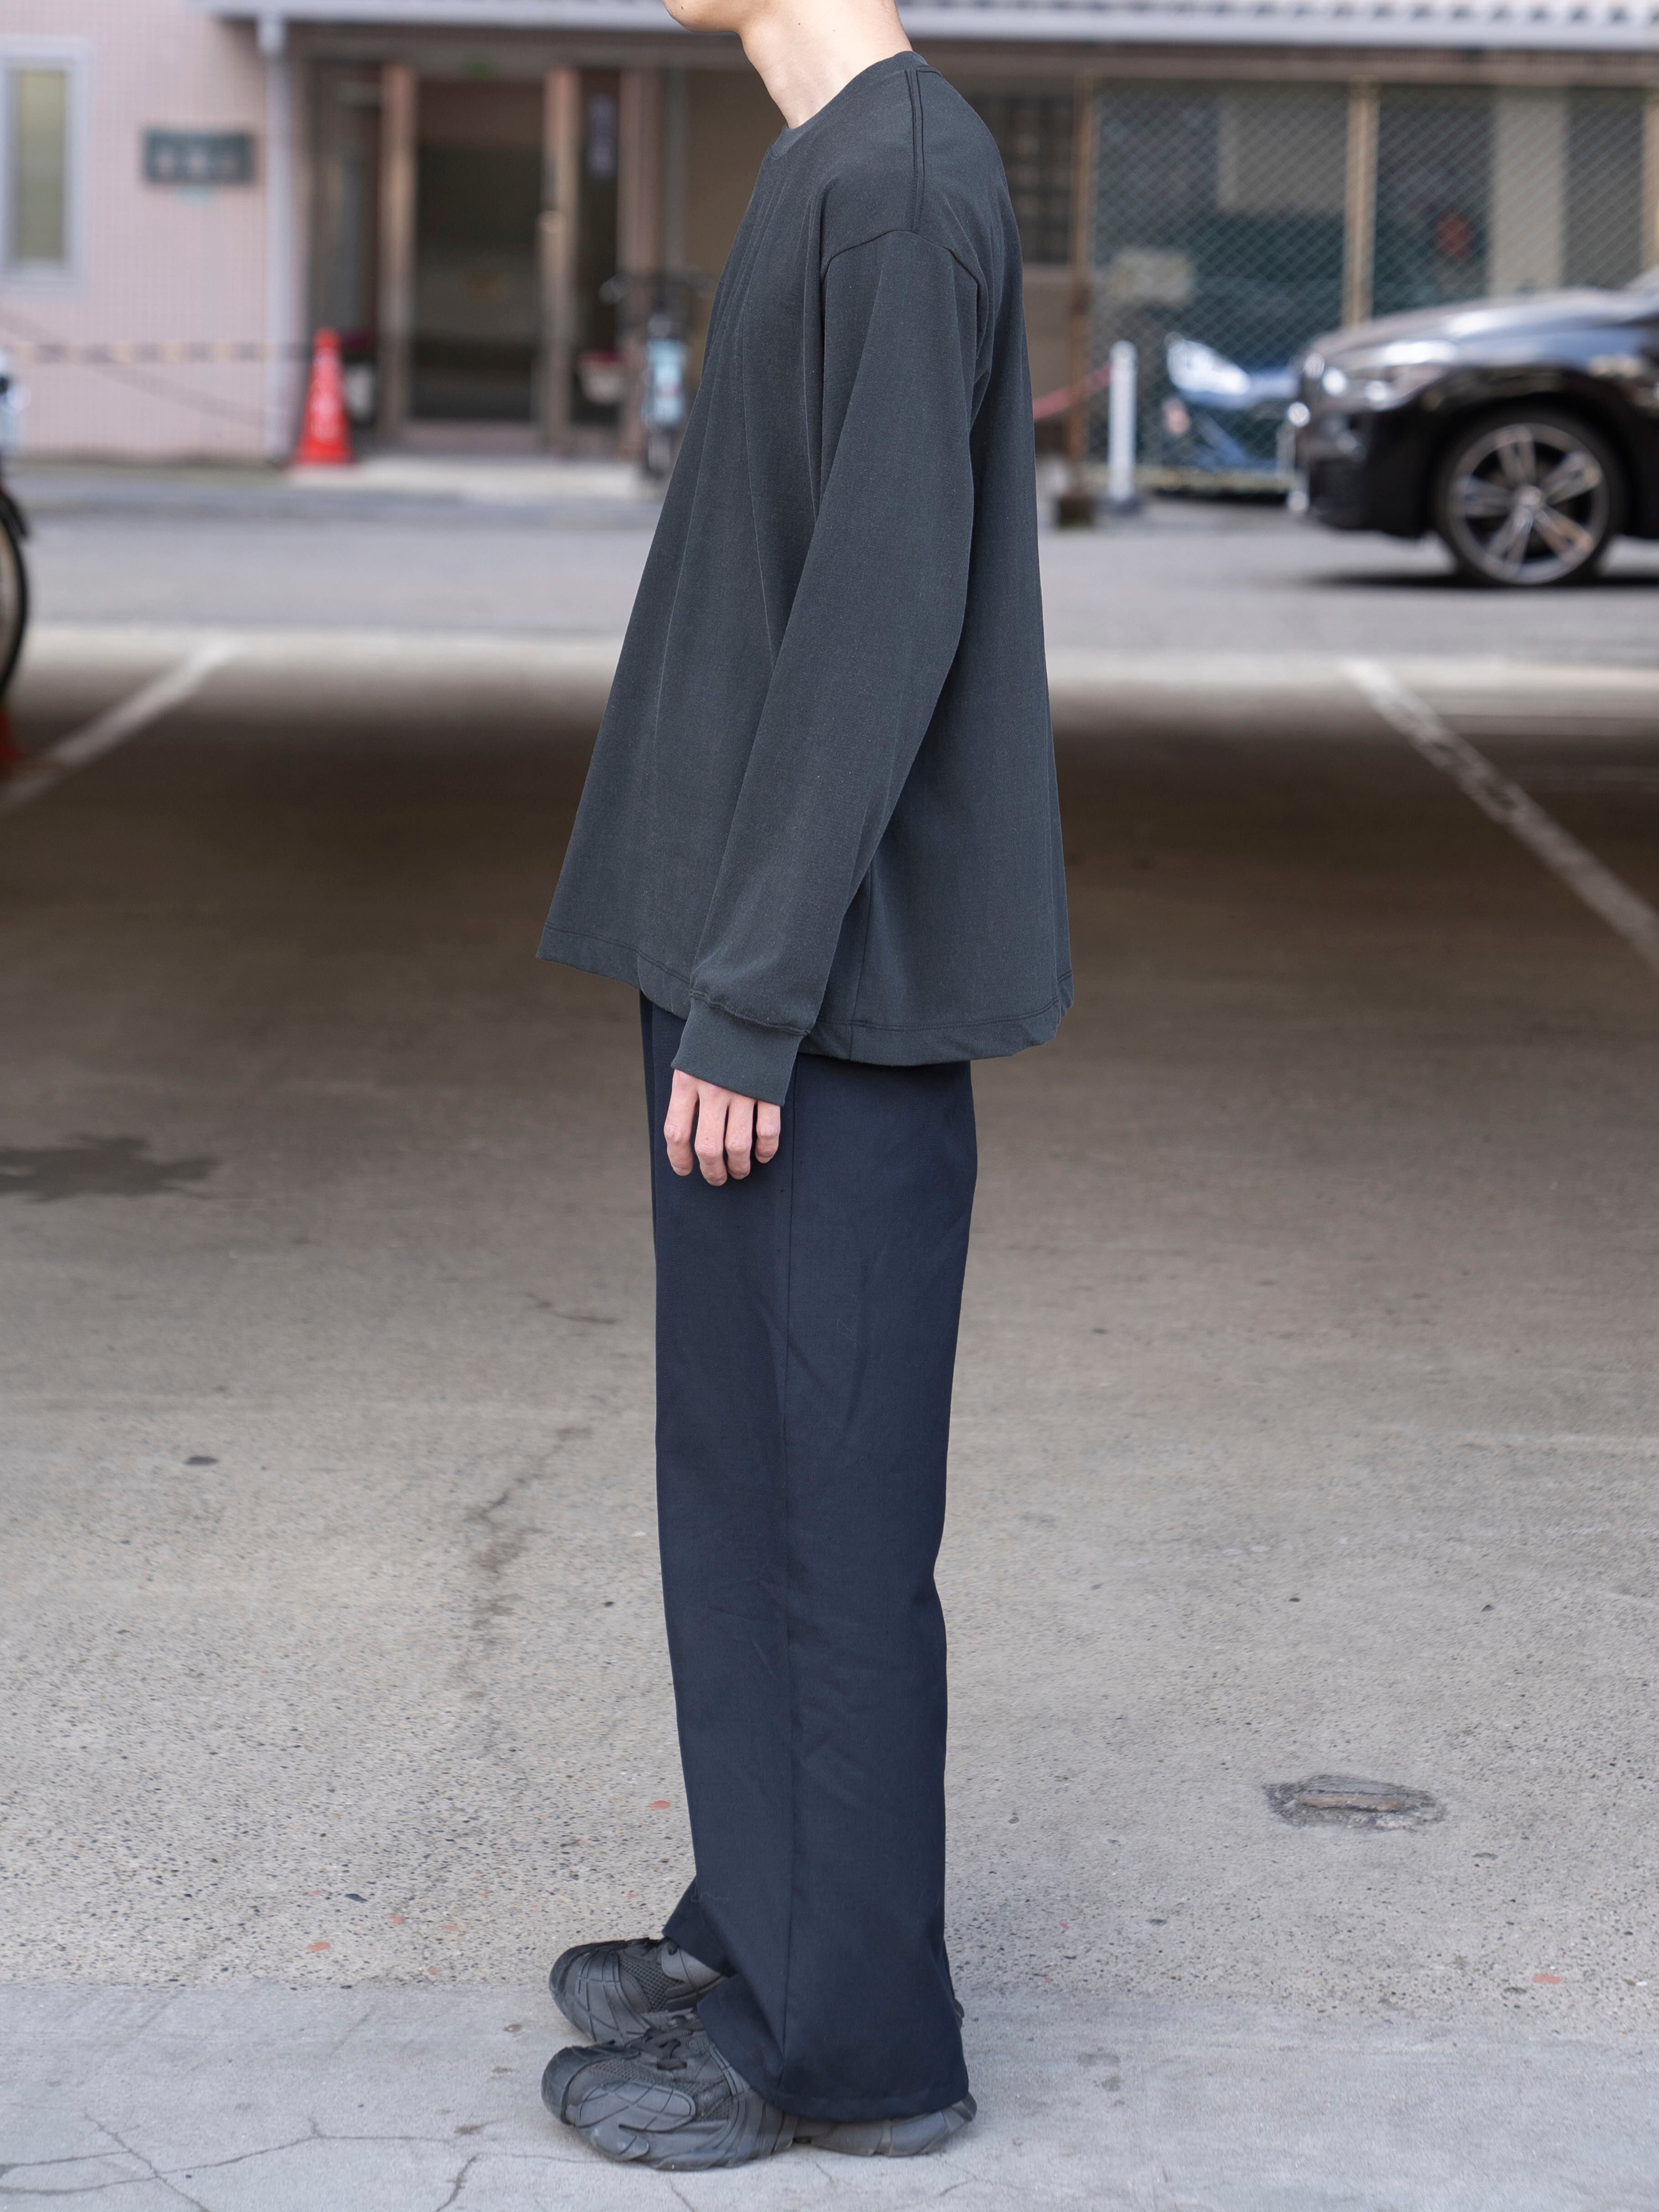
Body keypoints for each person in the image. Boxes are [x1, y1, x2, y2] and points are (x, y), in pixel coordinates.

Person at [534, 0, 1070, 2171]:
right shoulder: (832, 160)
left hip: (819, 1006)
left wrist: (753, 998)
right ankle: (758, 1922)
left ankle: (856, 2045)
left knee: (825, 1526)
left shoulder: (903, 188)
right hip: (747, 969)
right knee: (743, 1488)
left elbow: (876, 618)